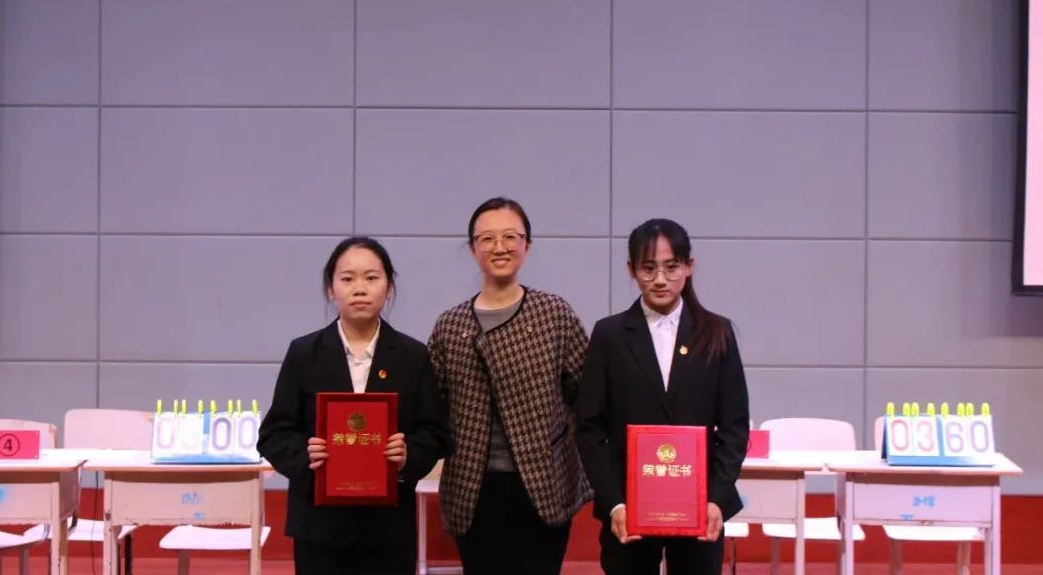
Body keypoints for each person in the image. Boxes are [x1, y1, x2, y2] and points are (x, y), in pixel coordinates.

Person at [258, 236, 448, 575]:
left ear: (389, 288)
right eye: (347, 278)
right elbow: (274, 434)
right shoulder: (304, 353)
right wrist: (305, 454)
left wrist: (408, 454)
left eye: (371, 278)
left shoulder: (413, 356)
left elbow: (434, 433)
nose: (360, 288)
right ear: (331, 289)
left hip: (388, 530)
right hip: (319, 527)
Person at [427, 196, 592, 575]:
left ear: (527, 245)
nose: (499, 247)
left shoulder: (554, 314)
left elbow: (585, 397)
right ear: (473, 249)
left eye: (510, 237)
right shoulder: (450, 326)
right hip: (473, 488)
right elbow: (434, 407)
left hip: (544, 484)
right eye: (486, 238)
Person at [576, 218, 750, 575]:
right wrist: (614, 503)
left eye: (671, 267)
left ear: (689, 266)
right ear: (631, 269)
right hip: (628, 509)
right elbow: (590, 428)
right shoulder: (609, 335)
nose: (660, 279)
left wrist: (716, 499)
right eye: (648, 268)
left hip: (701, 507)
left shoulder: (717, 333)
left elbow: (734, 427)